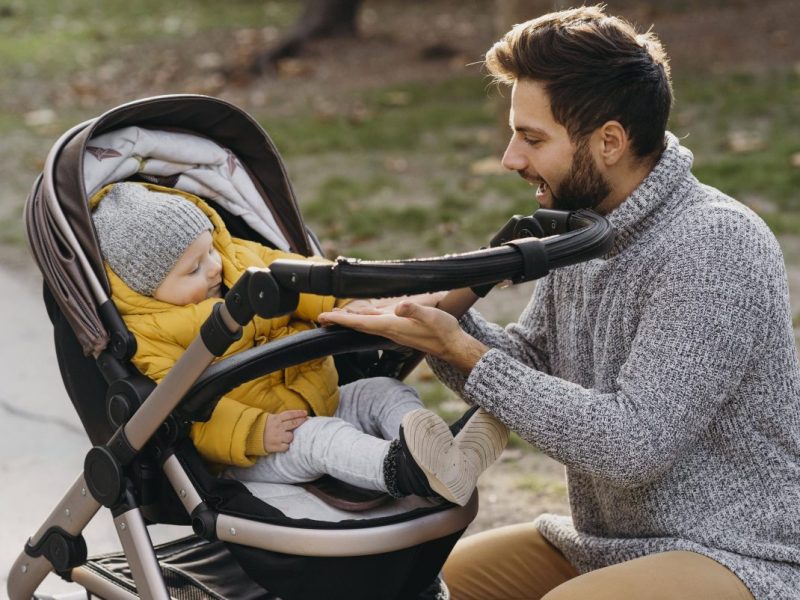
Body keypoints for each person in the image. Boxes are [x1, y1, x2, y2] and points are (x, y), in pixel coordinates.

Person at [318, 5, 800, 599]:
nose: (510, 159)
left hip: (743, 557)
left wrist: (466, 352)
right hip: (602, 544)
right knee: (423, 583)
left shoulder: (714, 245)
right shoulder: (587, 227)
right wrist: (436, 327)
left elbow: (632, 445)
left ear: (610, 142)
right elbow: (534, 367)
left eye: (532, 137)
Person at [90, 181, 508, 507]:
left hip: (318, 396)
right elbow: (182, 410)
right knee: (323, 439)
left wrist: (349, 301)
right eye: (194, 268)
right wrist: (254, 432)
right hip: (260, 446)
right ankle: (406, 470)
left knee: (384, 391)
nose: (215, 266)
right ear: (149, 288)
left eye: (210, 250)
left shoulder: (238, 259)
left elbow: (301, 278)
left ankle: (444, 455)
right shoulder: (150, 334)